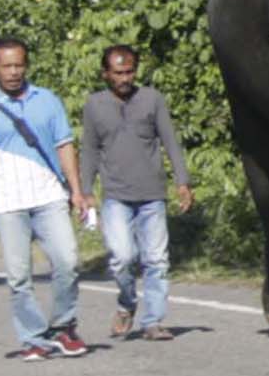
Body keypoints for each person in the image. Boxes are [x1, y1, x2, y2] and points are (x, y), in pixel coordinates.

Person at [0, 38, 89, 360]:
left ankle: (63, 327)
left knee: (68, 261)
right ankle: (33, 337)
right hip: (8, 202)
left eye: (19, 65)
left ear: (27, 65)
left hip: (48, 196)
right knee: (19, 275)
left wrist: (76, 191)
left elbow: (64, 145)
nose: (13, 72)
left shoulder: (47, 100)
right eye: (6, 66)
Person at [79, 45, 193, 341]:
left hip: (152, 195)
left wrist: (182, 181)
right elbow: (89, 149)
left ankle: (153, 321)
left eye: (130, 71)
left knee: (156, 260)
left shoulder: (152, 99)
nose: (125, 78)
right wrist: (86, 190)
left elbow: (170, 141)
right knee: (121, 257)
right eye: (118, 73)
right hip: (116, 196)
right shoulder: (94, 104)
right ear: (106, 74)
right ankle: (127, 302)